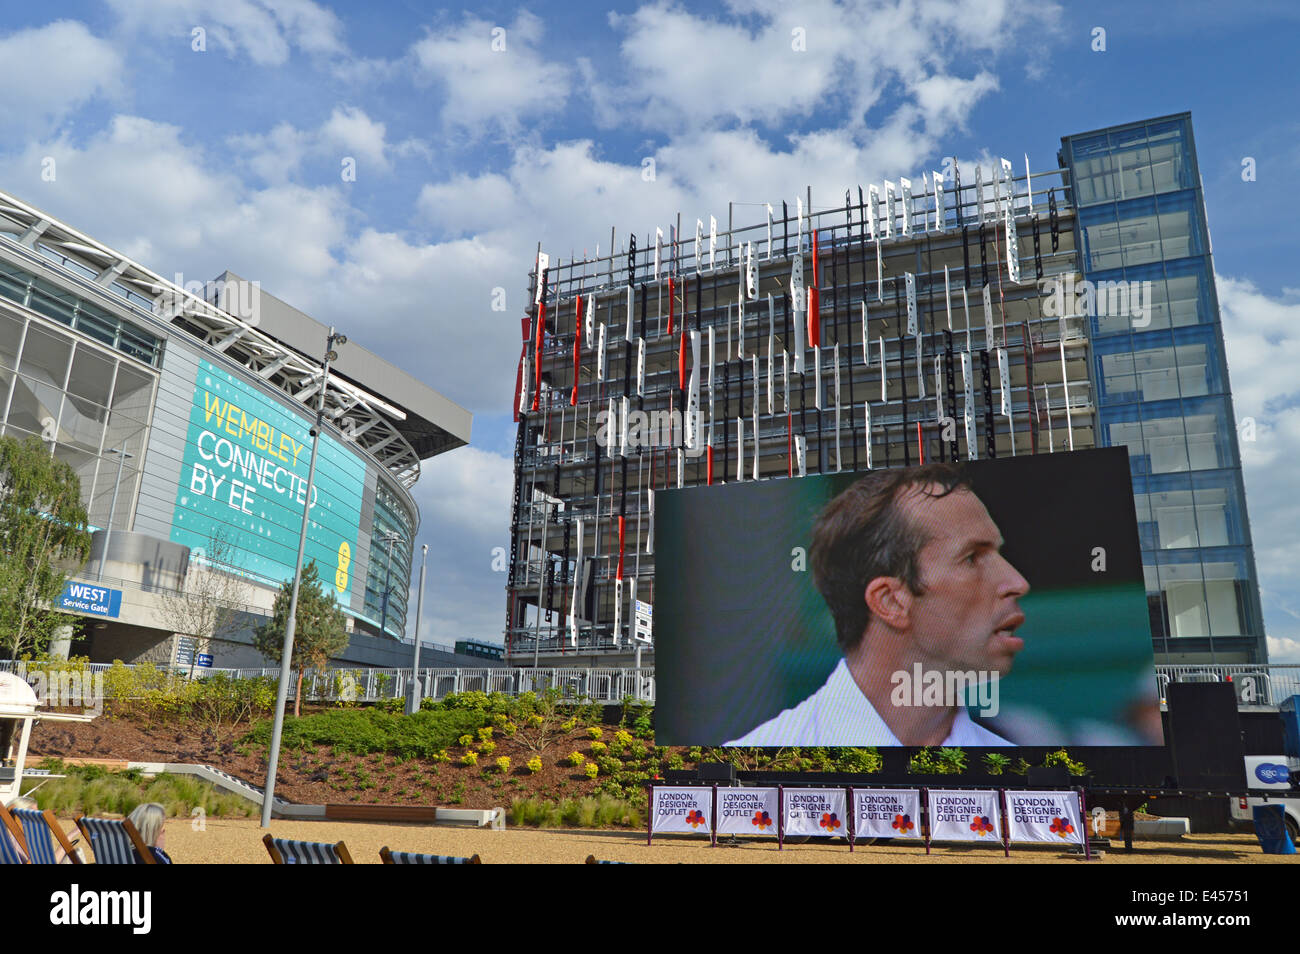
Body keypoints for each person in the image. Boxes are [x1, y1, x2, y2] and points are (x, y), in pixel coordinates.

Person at [727, 463, 1029, 747]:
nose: (1017, 582)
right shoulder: (748, 780)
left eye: (997, 555)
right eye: (972, 558)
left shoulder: (1027, 785)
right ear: (890, 601)